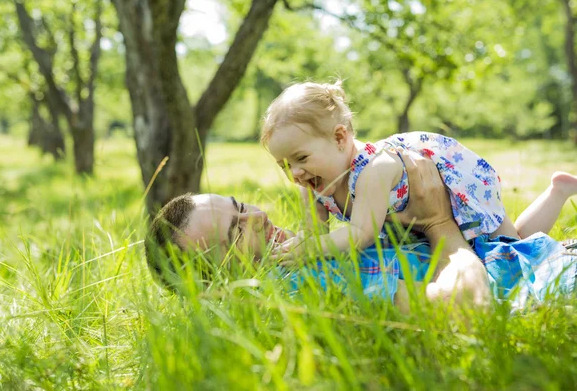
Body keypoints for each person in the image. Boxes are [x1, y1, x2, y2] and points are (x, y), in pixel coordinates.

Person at [145, 150, 576, 311]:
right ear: (220, 286)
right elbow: (464, 306)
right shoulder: (312, 293)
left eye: (240, 207)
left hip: (525, 257)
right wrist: (439, 222)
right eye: (236, 233)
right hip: (534, 279)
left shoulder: (303, 255)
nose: (256, 218)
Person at [260, 81, 577, 267]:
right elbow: (314, 234)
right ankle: (558, 192)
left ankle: (558, 191)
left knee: (510, 247)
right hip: (416, 220)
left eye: (301, 158)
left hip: (451, 184)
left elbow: (361, 233)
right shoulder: (312, 184)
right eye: (284, 166)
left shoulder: (373, 171)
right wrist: (302, 245)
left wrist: (314, 247)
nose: (296, 173)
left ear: (340, 138)